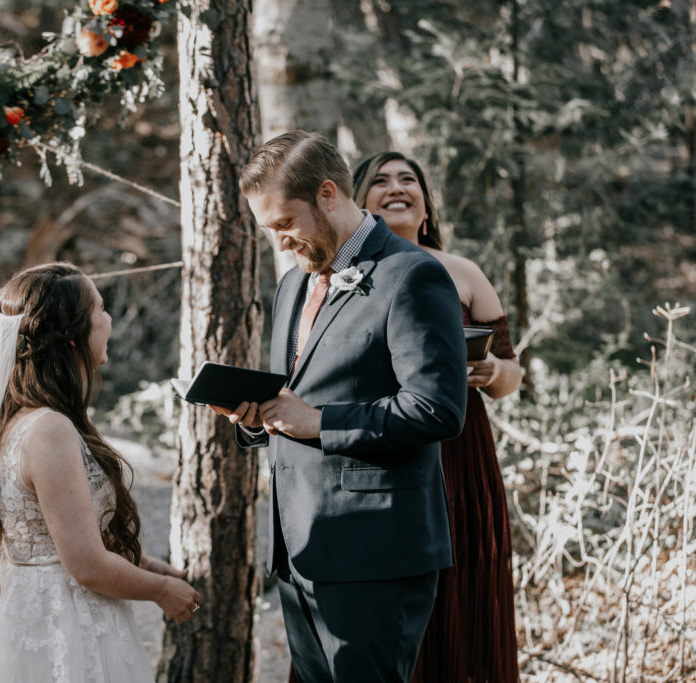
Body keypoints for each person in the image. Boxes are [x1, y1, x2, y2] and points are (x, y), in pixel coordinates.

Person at [216, 131, 469, 683]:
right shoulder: (291, 285)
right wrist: (262, 418)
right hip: (299, 548)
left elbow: (438, 409)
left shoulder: (412, 275)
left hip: (375, 553)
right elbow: (298, 396)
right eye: (269, 230)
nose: (280, 242)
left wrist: (319, 422)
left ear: (328, 194)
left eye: (285, 223)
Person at [0, 261, 201, 683]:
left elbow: (56, 535)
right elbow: (85, 564)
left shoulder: (20, 421)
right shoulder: (50, 429)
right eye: (101, 309)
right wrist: (161, 592)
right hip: (63, 624)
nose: (108, 321)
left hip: (34, 612)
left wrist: (144, 564)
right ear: (73, 335)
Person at [354, 152, 522, 682]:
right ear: (358, 204)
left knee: (460, 586)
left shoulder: (464, 272)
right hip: (384, 448)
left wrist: (491, 369)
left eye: (409, 179)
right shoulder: (348, 273)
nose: (396, 187)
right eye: (379, 181)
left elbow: (513, 377)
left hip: (461, 453)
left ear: (426, 205)